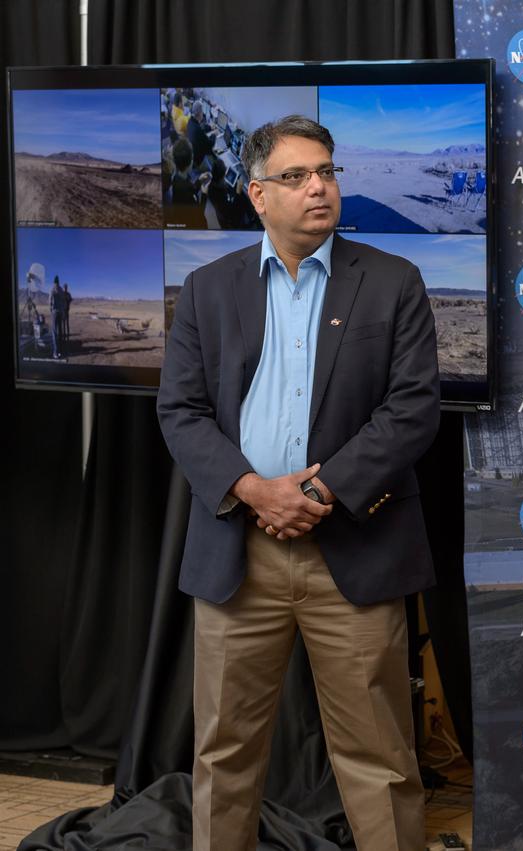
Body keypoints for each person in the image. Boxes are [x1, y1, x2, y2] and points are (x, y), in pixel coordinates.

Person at [157, 114, 440, 851]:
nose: (320, 187)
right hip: (238, 551)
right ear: (256, 194)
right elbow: (180, 411)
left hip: (354, 547)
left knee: (380, 762)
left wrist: (315, 495)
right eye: (296, 176)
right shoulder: (207, 289)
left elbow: (412, 410)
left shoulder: (393, 281)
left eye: (327, 172)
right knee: (223, 755)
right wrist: (255, 490)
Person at [49, 277, 67, 359]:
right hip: (61, 312)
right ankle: (60, 351)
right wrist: (63, 311)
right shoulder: (61, 290)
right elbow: (64, 302)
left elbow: (50, 301)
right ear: (59, 282)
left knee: (54, 332)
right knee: (60, 332)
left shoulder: (52, 289)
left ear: (54, 282)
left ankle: (55, 352)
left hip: (55, 312)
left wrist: (51, 310)